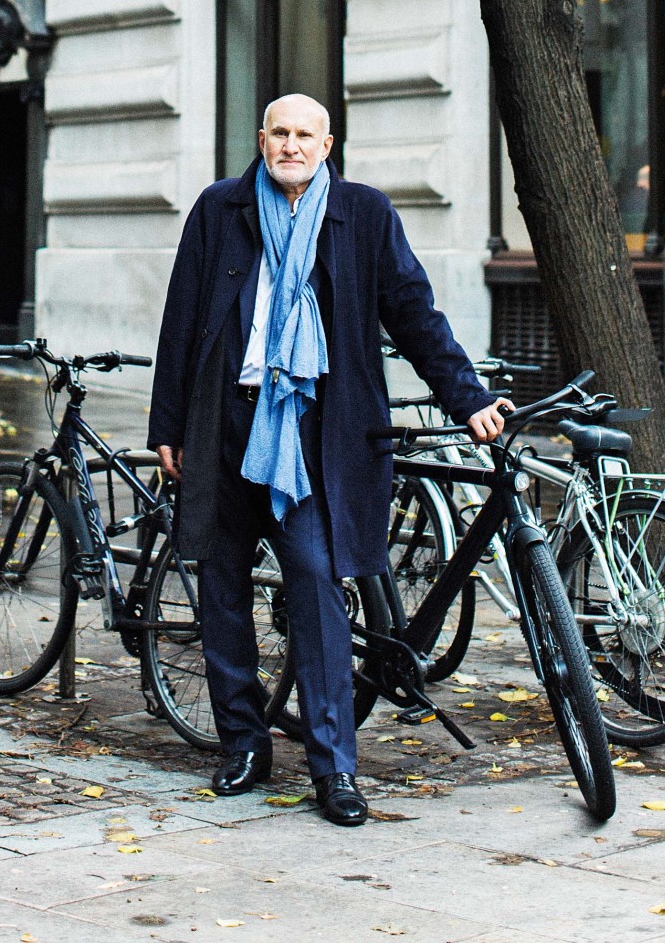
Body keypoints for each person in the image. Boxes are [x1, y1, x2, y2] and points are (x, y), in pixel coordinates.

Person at [149, 93, 509, 828]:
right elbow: (181, 318)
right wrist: (168, 425)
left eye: (304, 135)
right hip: (224, 419)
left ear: (326, 144)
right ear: (261, 140)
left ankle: (334, 766)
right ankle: (243, 744)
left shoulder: (362, 213)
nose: (291, 145)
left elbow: (413, 313)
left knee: (315, 582)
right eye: (279, 133)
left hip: (314, 432)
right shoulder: (219, 209)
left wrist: (466, 397)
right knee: (222, 588)